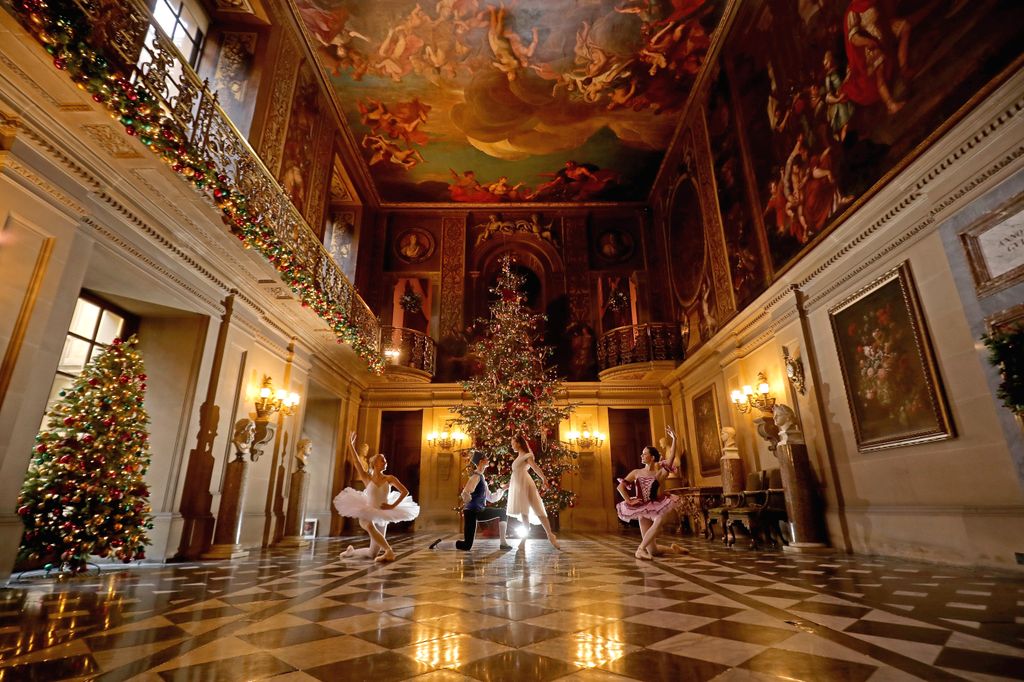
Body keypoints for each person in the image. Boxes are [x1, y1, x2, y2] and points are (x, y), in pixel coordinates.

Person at [333, 431, 419, 562]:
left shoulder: (390, 478)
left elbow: (405, 492)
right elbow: (356, 462)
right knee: (369, 526)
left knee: (372, 553)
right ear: (375, 463)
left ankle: (351, 552)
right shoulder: (367, 478)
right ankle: (389, 551)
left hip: (382, 514)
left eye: (385, 460)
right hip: (366, 512)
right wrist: (350, 445)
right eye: (382, 459)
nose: (385, 461)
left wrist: (392, 505)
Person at [616, 425, 686, 559]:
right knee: (653, 551)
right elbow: (620, 487)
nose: (642, 455)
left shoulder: (659, 473)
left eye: (645, 453)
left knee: (659, 519)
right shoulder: (636, 472)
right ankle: (674, 550)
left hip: (656, 506)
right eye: (642, 453)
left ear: (652, 457)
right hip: (642, 509)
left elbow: (671, 460)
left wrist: (674, 440)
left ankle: (640, 550)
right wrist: (629, 501)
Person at [430, 449, 511, 551]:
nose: (488, 460)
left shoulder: (481, 478)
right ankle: (439, 545)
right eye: (486, 458)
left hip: (479, 511)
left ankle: (503, 543)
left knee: (502, 512)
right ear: (481, 461)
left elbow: (491, 497)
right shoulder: (476, 477)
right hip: (471, 512)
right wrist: (469, 498)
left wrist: (504, 488)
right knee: (467, 545)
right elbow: (465, 492)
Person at [507, 435, 561, 550]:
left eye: (513, 443)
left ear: (519, 443)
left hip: (525, 484)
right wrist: (507, 485)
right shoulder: (518, 457)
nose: (512, 446)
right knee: (524, 513)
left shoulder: (527, 456)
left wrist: (544, 479)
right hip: (518, 485)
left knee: (536, 509)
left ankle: (550, 535)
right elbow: (515, 474)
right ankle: (524, 541)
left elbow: (535, 468)